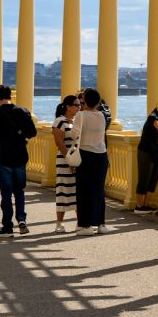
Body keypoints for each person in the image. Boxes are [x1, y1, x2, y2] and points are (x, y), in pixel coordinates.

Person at [0, 85, 38, 236]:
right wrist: (21, 136)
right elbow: (33, 132)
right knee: (19, 190)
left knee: (6, 194)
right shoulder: (23, 111)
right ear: (10, 96)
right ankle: (21, 219)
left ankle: (7, 227)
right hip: (21, 156)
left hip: (4, 157)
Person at [74, 88, 110, 234]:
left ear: (84, 100)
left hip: (85, 154)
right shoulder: (102, 115)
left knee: (83, 190)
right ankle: (101, 224)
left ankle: (86, 225)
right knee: (99, 190)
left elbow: (74, 133)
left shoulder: (81, 115)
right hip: (101, 155)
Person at [133, 105, 158, 210]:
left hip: (157, 154)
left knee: (153, 180)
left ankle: (146, 205)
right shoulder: (153, 117)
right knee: (144, 179)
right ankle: (139, 206)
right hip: (146, 152)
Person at [50, 96, 78, 232]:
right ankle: (59, 223)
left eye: (79, 105)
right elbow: (59, 143)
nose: (78, 107)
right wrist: (69, 160)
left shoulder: (76, 121)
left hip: (76, 160)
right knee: (63, 191)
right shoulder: (59, 121)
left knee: (77, 191)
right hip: (64, 160)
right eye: (76, 105)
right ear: (68, 106)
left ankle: (80, 222)